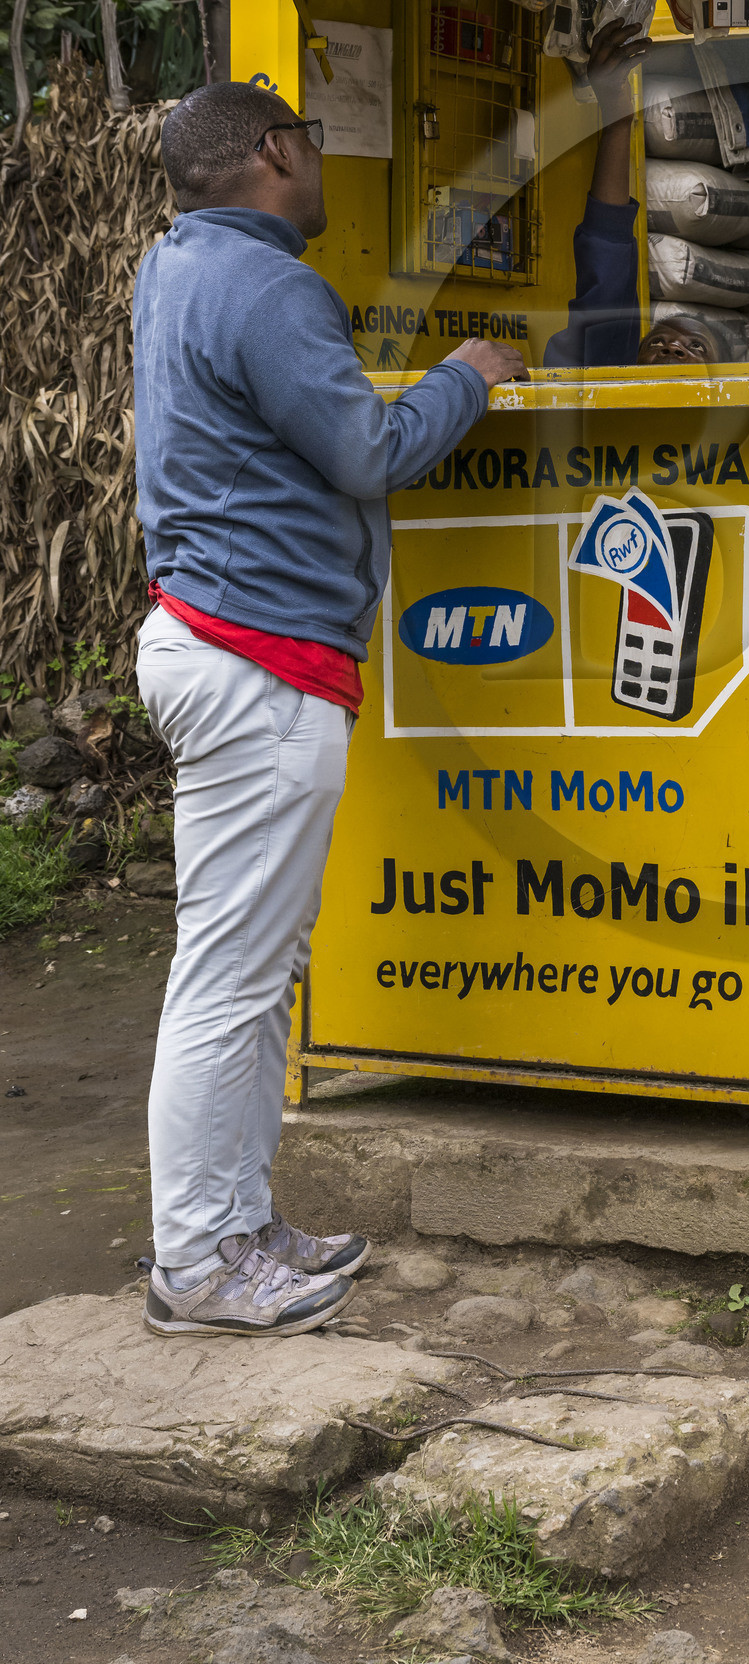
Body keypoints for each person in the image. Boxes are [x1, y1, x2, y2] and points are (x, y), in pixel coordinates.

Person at [133, 75, 530, 1335]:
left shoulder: (182, 267)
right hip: (257, 664)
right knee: (229, 979)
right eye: (309, 146)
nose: (320, 167)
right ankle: (197, 1264)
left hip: (227, 644)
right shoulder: (267, 285)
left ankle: (239, 1226)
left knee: (255, 970)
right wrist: (464, 376)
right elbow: (368, 451)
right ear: (274, 153)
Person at [542, 18, 729, 369]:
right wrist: (617, 119)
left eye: (696, 347)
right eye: (656, 342)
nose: (672, 348)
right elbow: (606, 271)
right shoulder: (605, 401)